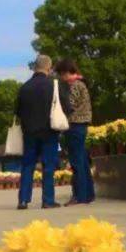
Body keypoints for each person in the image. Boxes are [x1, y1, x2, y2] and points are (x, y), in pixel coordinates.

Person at [15, 54, 62, 210]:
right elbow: (65, 107)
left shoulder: (24, 87)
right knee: (48, 165)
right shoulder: (53, 86)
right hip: (49, 131)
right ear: (49, 67)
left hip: (29, 132)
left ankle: (23, 200)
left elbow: (18, 111)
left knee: (28, 165)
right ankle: (47, 200)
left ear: (35, 67)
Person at [56, 58, 95, 206]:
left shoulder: (74, 86)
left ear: (67, 72)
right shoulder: (82, 83)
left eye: (61, 74)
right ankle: (88, 194)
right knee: (83, 161)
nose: (61, 77)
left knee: (76, 161)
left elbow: (69, 105)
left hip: (74, 125)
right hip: (82, 125)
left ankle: (79, 196)